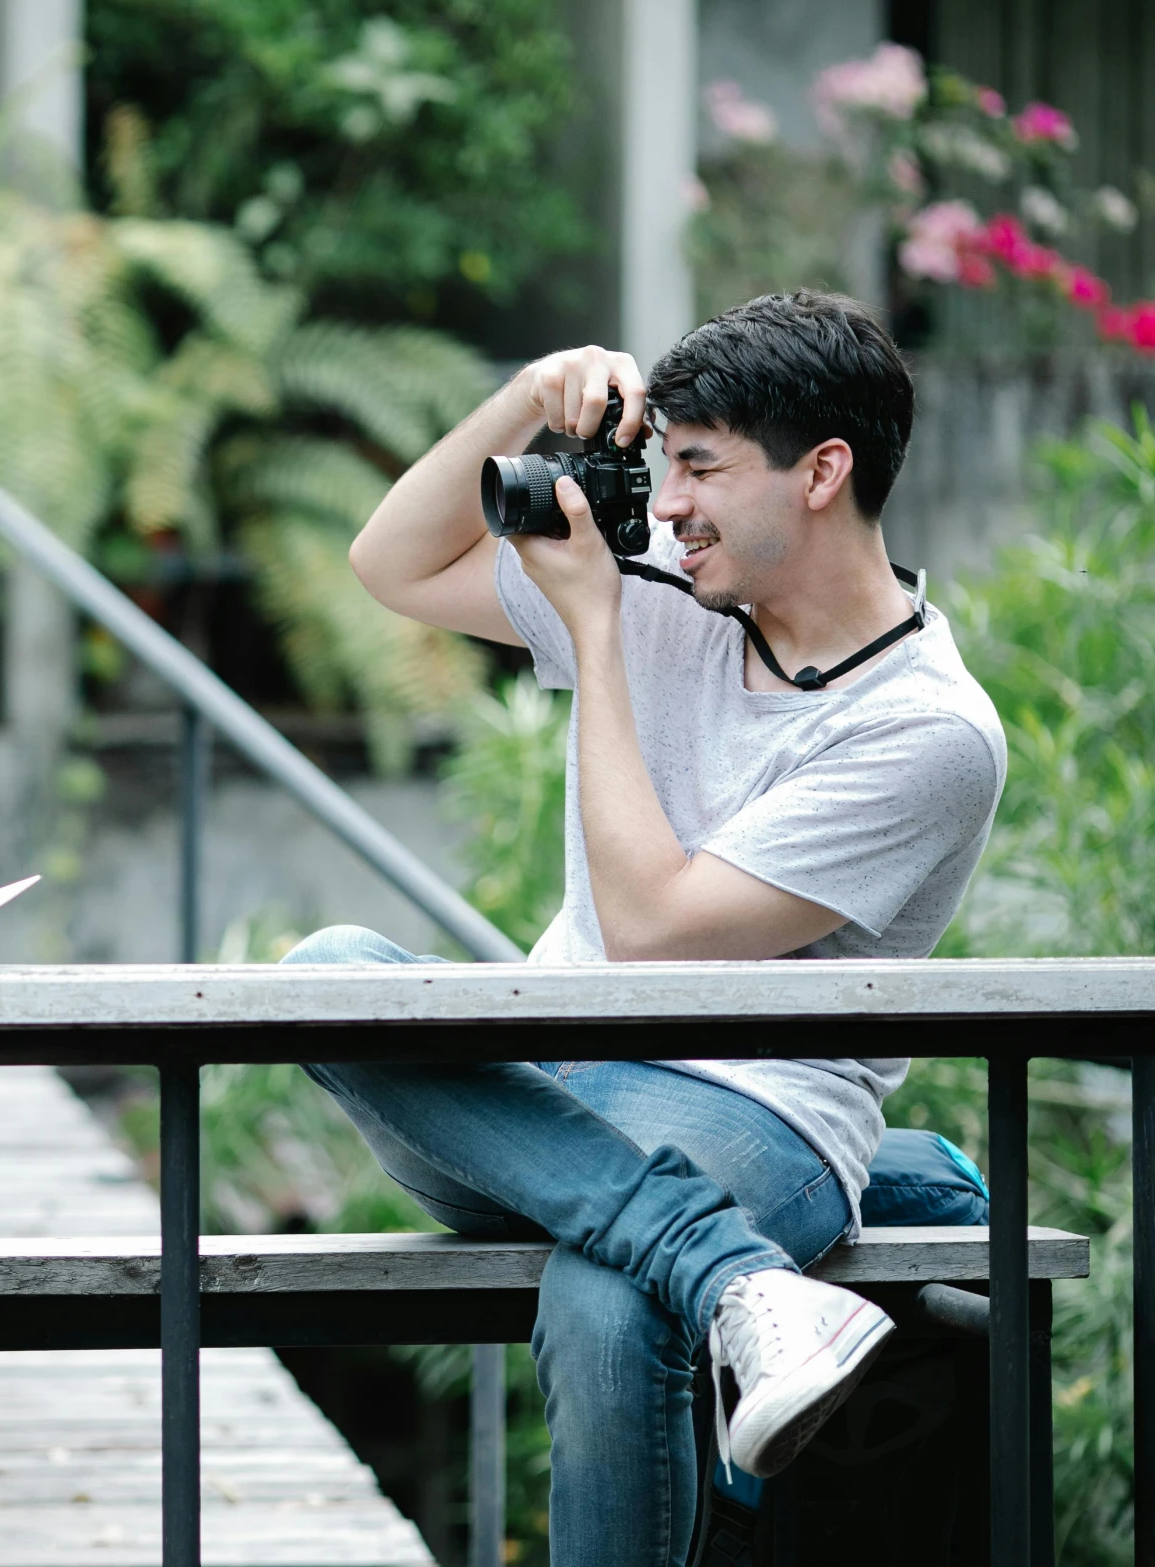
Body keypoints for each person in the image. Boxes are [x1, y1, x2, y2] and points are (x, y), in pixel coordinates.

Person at [287, 291, 1005, 1566]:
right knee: (327, 974)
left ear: (822, 473)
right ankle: (741, 1282)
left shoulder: (926, 729)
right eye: (662, 462)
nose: (665, 505)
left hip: (753, 1100)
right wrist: (526, 393)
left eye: (699, 465)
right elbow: (388, 564)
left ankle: (719, 1266)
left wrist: (598, 631)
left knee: (606, 1295)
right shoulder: (676, 582)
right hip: (553, 1068)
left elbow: (652, 933)